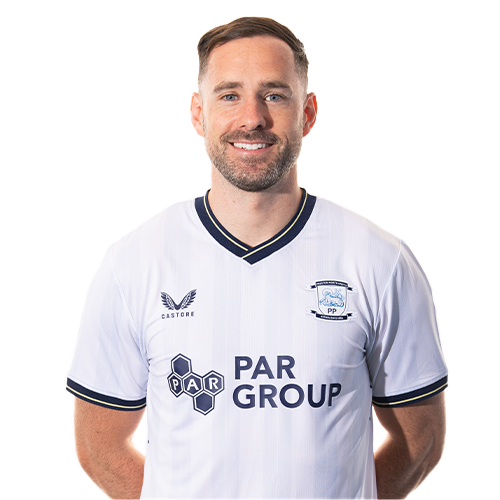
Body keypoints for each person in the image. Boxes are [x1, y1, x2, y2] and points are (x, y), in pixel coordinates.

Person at [65, 16, 448, 500]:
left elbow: (420, 443)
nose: (252, 118)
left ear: (307, 113)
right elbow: (99, 446)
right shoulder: (133, 263)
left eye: (274, 95)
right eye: (229, 95)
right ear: (198, 113)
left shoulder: (381, 261)